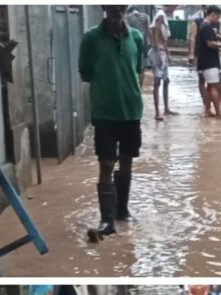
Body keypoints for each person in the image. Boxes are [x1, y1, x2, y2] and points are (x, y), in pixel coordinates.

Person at [78, 5, 145, 236]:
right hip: (105, 112)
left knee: (127, 160)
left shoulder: (136, 37)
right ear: (104, 7)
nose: (118, 10)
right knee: (106, 163)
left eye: (121, 6)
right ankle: (107, 221)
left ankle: (122, 211)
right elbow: (85, 72)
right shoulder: (91, 38)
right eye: (113, 6)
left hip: (131, 111)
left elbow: (139, 69)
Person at [196, 6, 221, 118]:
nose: (218, 20)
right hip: (209, 61)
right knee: (215, 86)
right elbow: (210, 43)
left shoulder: (205, 26)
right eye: (218, 17)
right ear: (213, 14)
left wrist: (219, 41)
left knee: (210, 87)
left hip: (205, 60)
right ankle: (219, 112)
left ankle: (208, 110)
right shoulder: (206, 26)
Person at [149, 5, 178, 120]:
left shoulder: (164, 16)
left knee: (166, 81)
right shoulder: (160, 15)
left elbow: (164, 39)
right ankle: (157, 113)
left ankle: (166, 109)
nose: (175, 8)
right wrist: (159, 52)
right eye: (174, 6)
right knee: (157, 82)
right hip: (158, 52)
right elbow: (155, 34)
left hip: (162, 52)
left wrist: (168, 53)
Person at [187, 5, 211, 113]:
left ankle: (210, 101)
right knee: (202, 79)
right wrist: (191, 54)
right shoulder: (196, 21)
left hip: (212, 53)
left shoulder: (215, 21)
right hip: (199, 54)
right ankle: (206, 103)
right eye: (206, 7)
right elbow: (192, 37)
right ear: (203, 8)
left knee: (213, 80)